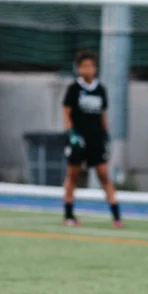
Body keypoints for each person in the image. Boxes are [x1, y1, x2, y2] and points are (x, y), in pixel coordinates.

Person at [62, 50, 121, 227]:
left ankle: (116, 216)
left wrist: (106, 135)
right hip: (78, 139)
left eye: (91, 66)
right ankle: (68, 215)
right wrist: (71, 134)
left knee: (104, 175)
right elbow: (66, 113)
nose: (88, 69)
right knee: (73, 176)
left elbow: (103, 115)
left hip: (96, 140)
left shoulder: (100, 89)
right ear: (78, 69)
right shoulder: (74, 89)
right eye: (84, 66)